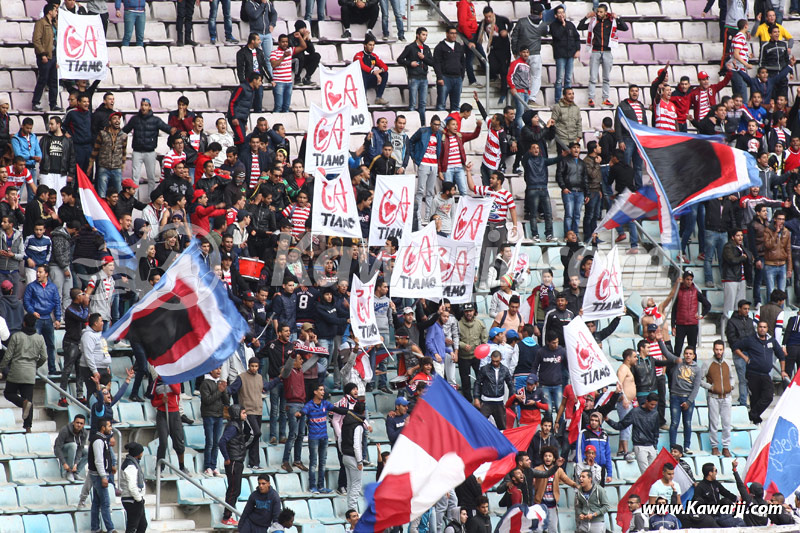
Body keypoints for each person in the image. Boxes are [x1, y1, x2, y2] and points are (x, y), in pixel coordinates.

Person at [229, 357, 279, 471]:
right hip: (247, 411)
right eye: (252, 366)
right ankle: (241, 448)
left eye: (256, 366)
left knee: (255, 437)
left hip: (258, 411)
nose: (254, 368)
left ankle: (254, 463)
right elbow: (232, 389)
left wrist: (278, 379)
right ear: (248, 366)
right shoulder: (241, 377)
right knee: (256, 433)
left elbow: (267, 386)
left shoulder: (260, 377)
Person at [734, 319, 788, 423]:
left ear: (767, 329)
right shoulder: (750, 340)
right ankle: (755, 421)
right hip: (753, 373)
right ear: (757, 328)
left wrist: (782, 370)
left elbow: (781, 356)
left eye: (764, 327)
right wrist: (744, 357)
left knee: (769, 396)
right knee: (755, 398)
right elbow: (736, 347)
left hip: (765, 374)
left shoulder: (771, 341)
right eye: (760, 327)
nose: (762, 329)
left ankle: (752, 415)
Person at [577, 5, 628, 108]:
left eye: (601, 12)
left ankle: (605, 99)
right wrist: (586, 17)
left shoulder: (611, 22)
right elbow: (580, 27)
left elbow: (625, 28)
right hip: (595, 51)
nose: (598, 14)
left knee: (606, 78)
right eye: (598, 12)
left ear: (605, 12)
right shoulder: (594, 21)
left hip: (607, 52)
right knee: (593, 77)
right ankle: (591, 98)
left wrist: (618, 18)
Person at [301, 383, 348, 493]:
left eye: (323, 390)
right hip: (313, 438)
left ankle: (321, 487)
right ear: (315, 392)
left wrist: (349, 411)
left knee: (322, 463)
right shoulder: (309, 405)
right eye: (321, 390)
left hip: (324, 437)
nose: (323, 392)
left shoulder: (325, 404)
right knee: (313, 463)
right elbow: (303, 412)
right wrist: (299, 413)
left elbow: (337, 410)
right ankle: (312, 486)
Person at [2, 313, 44, 432]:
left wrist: (1, 368)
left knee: (9, 393)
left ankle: (22, 402)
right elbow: (44, 357)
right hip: (30, 373)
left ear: (24, 323)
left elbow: (8, 356)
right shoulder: (40, 338)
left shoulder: (16, 336)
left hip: (16, 371)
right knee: (29, 399)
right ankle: (28, 427)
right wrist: (35, 365)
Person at [123, 98, 176, 190]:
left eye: (146, 105)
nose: (143, 107)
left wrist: (177, 130)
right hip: (137, 151)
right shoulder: (135, 119)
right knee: (135, 177)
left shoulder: (156, 120)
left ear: (150, 107)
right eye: (142, 105)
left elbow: (168, 129)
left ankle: (151, 197)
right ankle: (134, 197)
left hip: (150, 152)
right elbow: (124, 131)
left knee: (151, 177)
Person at [605, 393, 660, 474]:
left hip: (651, 445)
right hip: (640, 445)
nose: (653, 407)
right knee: (646, 474)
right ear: (646, 401)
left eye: (655, 405)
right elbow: (621, 425)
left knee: (653, 473)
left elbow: (656, 431)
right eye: (651, 404)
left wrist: (655, 445)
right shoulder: (635, 412)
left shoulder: (655, 413)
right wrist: (608, 420)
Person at [22, 264, 61, 376]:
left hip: (48, 318)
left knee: (51, 345)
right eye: (37, 272)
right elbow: (26, 301)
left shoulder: (52, 287)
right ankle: (32, 369)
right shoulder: (31, 286)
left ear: (46, 274)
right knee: (34, 345)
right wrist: (32, 312)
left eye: (40, 272)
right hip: (36, 319)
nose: (37, 274)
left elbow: (57, 303)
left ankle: (52, 368)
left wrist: (58, 319)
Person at [219, 404, 252, 527]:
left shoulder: (238, 424)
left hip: (237, 461)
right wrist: (227, 458)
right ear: (237, 414)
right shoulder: (233, 427)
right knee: (233, 490)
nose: (246, 415)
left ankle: (229, 515)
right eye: (243, 413)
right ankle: (226, 517)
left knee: (236, 490)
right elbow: (222, 441)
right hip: (233, 461)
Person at [700, 340, 734, 457]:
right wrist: (710, 387)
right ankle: (714, 446)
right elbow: (700, 379)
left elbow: (732, 377)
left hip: (727, 397)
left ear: (723, 350)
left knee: (726, 423)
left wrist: (731, 386)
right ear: (713, 350)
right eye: (717, 349)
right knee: (713, 423)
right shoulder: (707, 363)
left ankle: (726, 447)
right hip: (713, 397)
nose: (719, 352)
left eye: (720, 349)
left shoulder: (727, 363)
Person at [150, 375, 188, 473]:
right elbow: (153, 402)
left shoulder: (175, 378)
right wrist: (161, 401)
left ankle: (182, 466)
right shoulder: (156, 382)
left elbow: (177, 391)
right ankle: (159, 468)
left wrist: (168, 380)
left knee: (178, 442)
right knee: (163, 442)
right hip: (162, 414)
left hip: (174, 414)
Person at [398, 27, 434, 124]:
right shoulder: (410, 47)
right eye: (423, 35)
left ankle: (422, 123)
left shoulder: (426, 48)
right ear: (417, 35)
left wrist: (424, 58)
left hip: (424, 77)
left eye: (426, 35)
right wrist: (410, 63)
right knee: (413, 103)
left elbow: (432, 62)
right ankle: (412, 123)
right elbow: (400, 59)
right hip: (414, 77)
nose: (425, 37)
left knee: (423, 103)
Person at [199, 367, 230, 477]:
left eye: (220, 368)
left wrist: (224, 390)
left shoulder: (220, 383)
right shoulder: (205, 383)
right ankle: (207, 467)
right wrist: (219, 391)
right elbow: (207, 400)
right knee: (210, 442)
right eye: (216, 368)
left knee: (217, 443)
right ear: (210, 370)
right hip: (209, 415)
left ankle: (214, 466)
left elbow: (227, 401)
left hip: (219, 416)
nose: (219, 371)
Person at [671, 272, 711, 355]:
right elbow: (674, 310)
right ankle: (676, 363)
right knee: (677, 349)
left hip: (692, 325)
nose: (689, 281)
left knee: (692, 350)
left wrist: (702, 315)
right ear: (683, 280)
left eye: (691, 280)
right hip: (680, 325)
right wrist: (673, 326)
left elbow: (708, 305)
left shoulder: (696, 292)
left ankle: (693, 364)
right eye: (687, 279)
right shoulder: (678, 292)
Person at [473, 351, 514, 429]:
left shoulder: (505, 370)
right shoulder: (484, 369)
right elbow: (477, 383)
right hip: (486, 401)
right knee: (480, 426)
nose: (495, 363)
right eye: (493, 361)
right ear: (491, 359)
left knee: (502, 427)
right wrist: (476, 398)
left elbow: (510, 384)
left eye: (497, 361)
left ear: (500, 359)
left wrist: (512, 398)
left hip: (499, 401)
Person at [31, 3, 60, 113]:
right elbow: (36, 40)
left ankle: (53, 103)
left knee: (54, 81)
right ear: (50, 11)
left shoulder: (55, 23)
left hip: (54, 55)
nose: (56, 12)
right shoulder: (41, 23)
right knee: (43, 79)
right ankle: (35, 102)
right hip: (45, 56)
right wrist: (42, 54)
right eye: (55, 10)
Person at [88, 419, 116, 532]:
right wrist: (104, 476)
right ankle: (111, 529)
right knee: (105, 503)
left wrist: (110, 467)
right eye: (109, 426)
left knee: (96, 502)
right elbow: (98, 460)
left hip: (100, 474)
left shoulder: (102, 439)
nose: (111, 428)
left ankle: (95, 528)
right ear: (103, 428)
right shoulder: (98, 440)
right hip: (99, 476)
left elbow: (105, 457)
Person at [550, 5, 581, 101]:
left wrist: (578, 50)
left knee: (568, 78)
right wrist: (563, 26)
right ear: (555, 15)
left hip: (570, 55)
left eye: (563, 12)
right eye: (559, 13)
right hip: (560, 55)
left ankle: (568, 100)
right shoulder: (553, 25)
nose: (561, 14)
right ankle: (557, 100)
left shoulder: (570, 25)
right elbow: (557, 36)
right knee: (559, 79)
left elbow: (577, 38)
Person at [270, 33, 307, 113]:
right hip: (278, 83)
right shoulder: (274, 53)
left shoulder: (290, 50)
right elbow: (273, 65)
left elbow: (303, 46)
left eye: (286, 42)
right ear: (279, 42)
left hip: (289, 83)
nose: (285, 44)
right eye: (283, 42)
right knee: (278, 106)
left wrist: (300, 37)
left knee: (286, 107)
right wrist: (283, 56)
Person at [341, 401, 368, 511]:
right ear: (363, 412)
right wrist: (359, 461)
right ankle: (352, 510)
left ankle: (350, 510)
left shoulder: (346, 421)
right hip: (354, 458)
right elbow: (357, 445)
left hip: (345, 455)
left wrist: (342, 452)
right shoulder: (358, 426)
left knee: (350, 484)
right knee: (356, 485)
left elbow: (340, 439)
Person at [434, 27, 467, 112]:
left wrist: (462, 76)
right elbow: (436, 63)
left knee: (456, 105)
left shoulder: (459, 46)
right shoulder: (440, 47)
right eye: (452, 33)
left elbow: (463, 62)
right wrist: (439, 77)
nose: (454, 35)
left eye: (455, 33)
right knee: (441, 104)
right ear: (447, 34)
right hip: (445, 77)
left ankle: (454, 120)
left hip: (457, 78)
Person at [228, 73, 264, 146]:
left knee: (243, 141)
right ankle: (227, 145)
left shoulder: (252, 91)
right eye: (260, 81)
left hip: (242, 119)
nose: (260, 83)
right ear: (254, 80)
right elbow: (232, 102)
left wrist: (245, 123)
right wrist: (234, 117)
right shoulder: (241, 88)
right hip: (236, 117)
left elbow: (246, 108)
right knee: (241, 139)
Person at [120, 441, 147, 533]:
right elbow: (132, 486)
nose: (142, 454)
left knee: (142, 525)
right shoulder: (130, 466)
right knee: (132, 527)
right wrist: (139, 499)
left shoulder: (133, 463)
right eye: (141, 452)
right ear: (138, 453)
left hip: (135, 499)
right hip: (132, 500)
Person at [54, 414, 89, 481]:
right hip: (62, 450)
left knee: (89, 453)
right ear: (73, 422)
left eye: (81, 423)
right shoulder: (65, 430)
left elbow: (80, 449)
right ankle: (69, 472)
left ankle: (76, 472)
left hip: (74, 450)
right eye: (77, 422)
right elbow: (58, 448)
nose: (79, 425)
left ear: (84, 425)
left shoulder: (84, 433)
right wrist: (64, 463)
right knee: (73, 445)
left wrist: (76, 463)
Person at [575, 469, 610, 533]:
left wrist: (594, 514)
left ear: (590, 479)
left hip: (597, 523)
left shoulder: (599, 490)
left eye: (583, 477)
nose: (580, 479)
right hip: (584, 523)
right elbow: (578, 506)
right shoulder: (579, 492)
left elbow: (606, 506)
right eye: (580, 477)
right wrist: (580, 514)